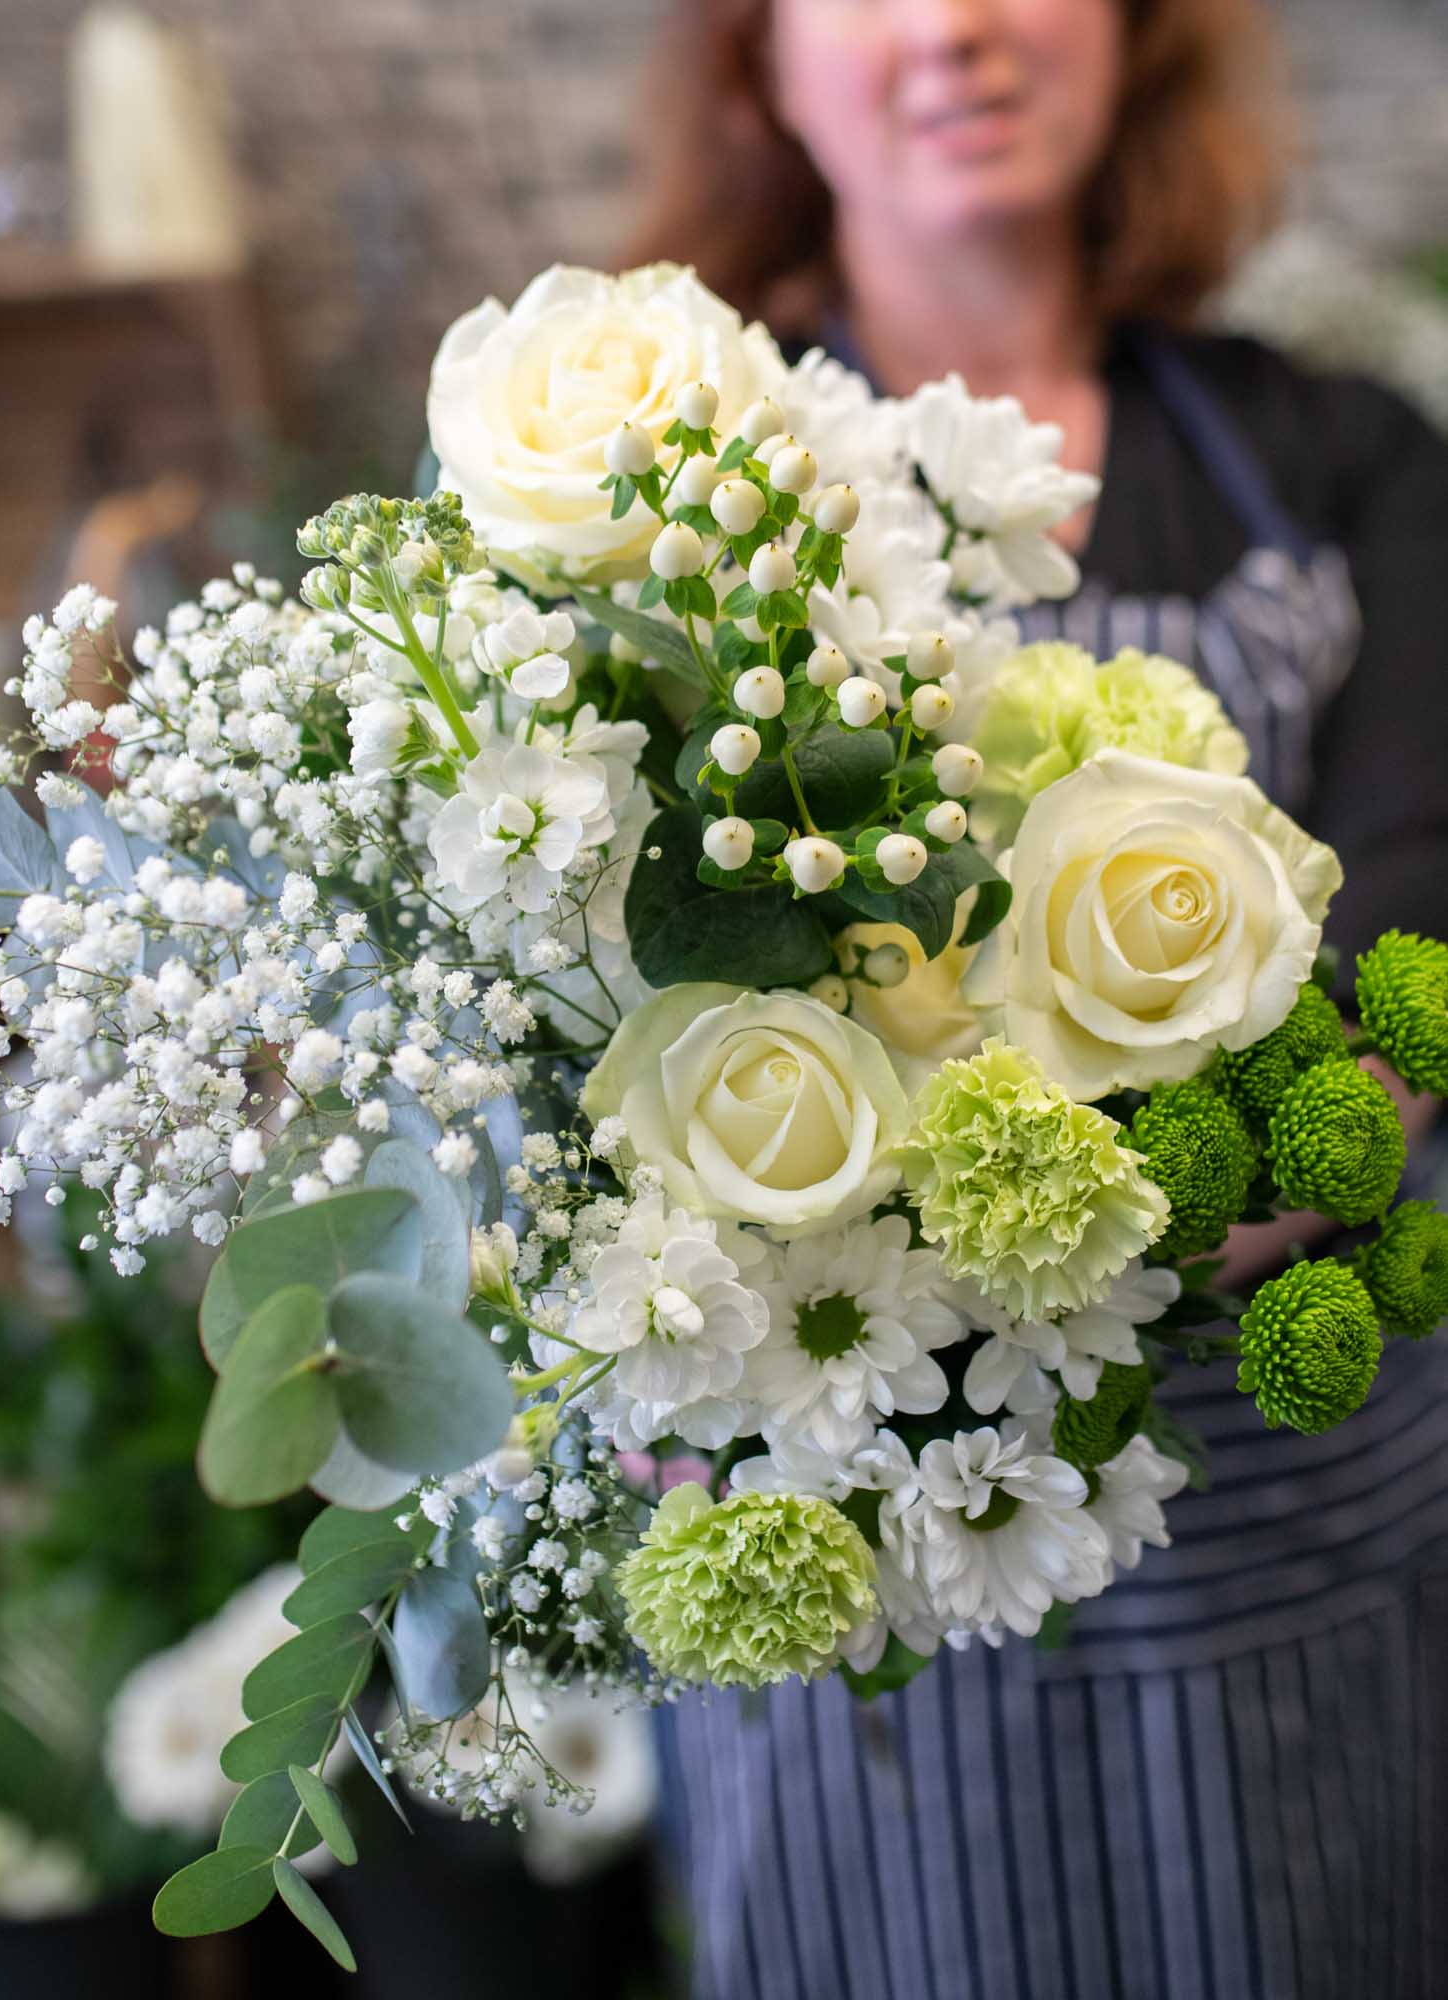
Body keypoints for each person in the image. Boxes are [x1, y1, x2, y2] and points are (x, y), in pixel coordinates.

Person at [625, 4, 1448, 1996]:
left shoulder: (1345, 460)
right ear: (763, 65)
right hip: (844, 1578)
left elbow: (1403, 967)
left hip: (1282, 1558)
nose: (956, 27)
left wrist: (1007, 1231)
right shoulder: (648, 503)